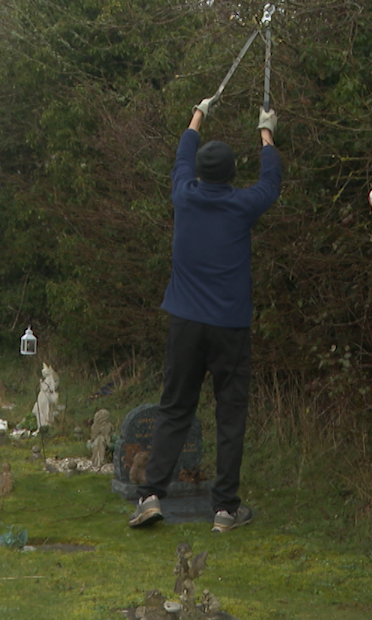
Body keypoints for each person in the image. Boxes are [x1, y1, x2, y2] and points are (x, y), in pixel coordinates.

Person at [129, 100, 282, 533]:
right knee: (230, 416)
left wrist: (198, 114)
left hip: (185, 324)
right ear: (232, 174)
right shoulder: (243, 204)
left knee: (175, 408)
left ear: (199, 172)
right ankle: (225, 510)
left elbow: (181, 155)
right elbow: (271, 181)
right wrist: (266, 135)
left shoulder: (184, 194)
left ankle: (150, 495)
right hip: (230, 326)